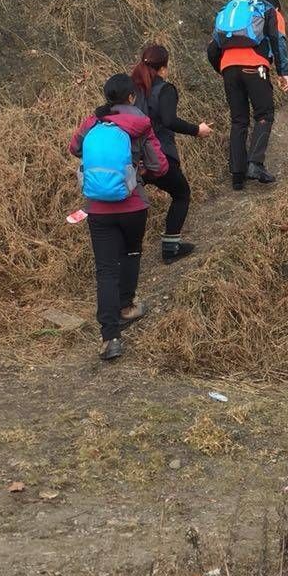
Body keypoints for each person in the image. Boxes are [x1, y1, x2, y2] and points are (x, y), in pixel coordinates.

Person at [69, 74, 168, 362]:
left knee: (106, 270)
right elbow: (158, 166)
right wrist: (139, 172)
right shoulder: (140, 125)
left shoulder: (92, 123)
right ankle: (126, 306)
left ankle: (110, 337)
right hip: (133, 206)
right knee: (132, 254)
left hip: (97, 208)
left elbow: (74, 149)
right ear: (131, 97)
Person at [131, 44, 212, 264]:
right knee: (181, 193)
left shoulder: (132, 90)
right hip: (159, 156)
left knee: (128, 199)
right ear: (164, 67)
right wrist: (197, 129)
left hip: (134, 159)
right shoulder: (164, 89)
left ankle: (125, 252)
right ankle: (170, 248)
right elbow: (169, 120)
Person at [206, 0, 288, 190]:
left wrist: (224, 69)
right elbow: (278, 41)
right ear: (277, 8)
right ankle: (255, 164)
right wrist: (282, 72)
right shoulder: (271, 12)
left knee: (238, 120)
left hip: (228, 68)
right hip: (254, 67)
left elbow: (211, 49)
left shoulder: (234, 18)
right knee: (264, 113)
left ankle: (237, 175)